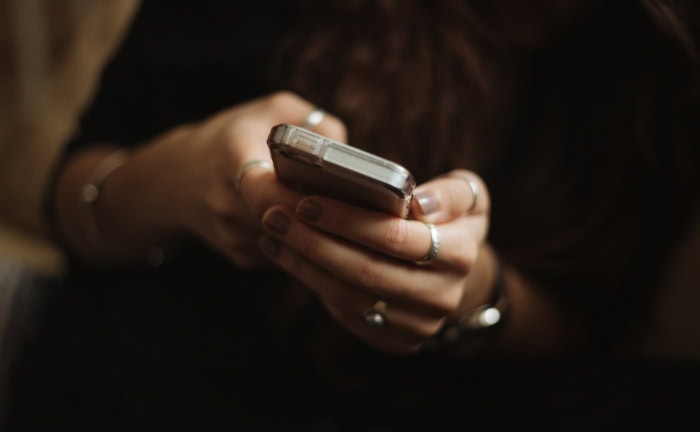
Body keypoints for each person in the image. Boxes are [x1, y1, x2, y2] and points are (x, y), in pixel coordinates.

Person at [5, 0, 700, 430]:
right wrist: (184, 173)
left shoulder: (665, 70)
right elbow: (69, 205)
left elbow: (594, 348)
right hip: (130, 386)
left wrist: (477, 295)